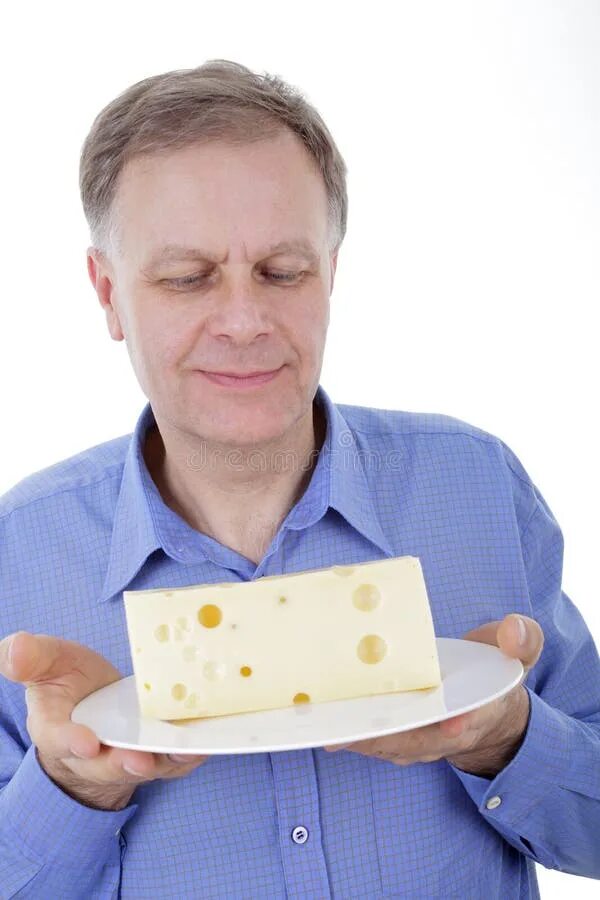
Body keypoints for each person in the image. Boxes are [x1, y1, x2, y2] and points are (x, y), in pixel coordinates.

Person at [0, 59, 598, 900]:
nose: (245, 321)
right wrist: (71, 789)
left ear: (331, 273)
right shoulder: (20, 553)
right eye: (187, 278)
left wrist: (510, 739)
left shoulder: (479, 487)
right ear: (107, 293)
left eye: (283, 271)